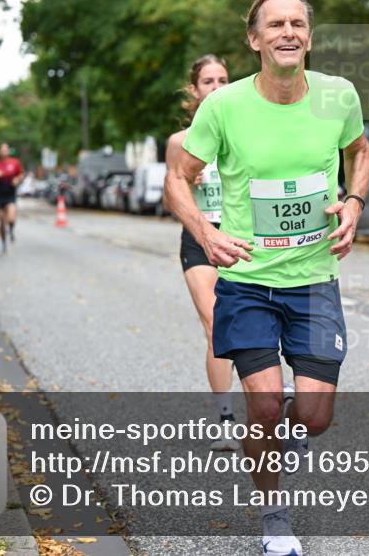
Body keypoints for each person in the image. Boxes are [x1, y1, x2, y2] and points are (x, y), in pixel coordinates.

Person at [166, 0, 369, 556]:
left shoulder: (338, 96)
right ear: (254, 39)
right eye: (275, 24)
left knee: (313, 416)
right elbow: (178, 177)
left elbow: (361, 151)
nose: (288, 32)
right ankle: (274, 515)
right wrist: (205, 233)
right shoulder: (224, 106)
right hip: (249, 280)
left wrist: (354, 204)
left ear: (309, 36)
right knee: (261, 404)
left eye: (297, 24)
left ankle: (278, 426)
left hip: (313, 280)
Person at [163, 55, 239, 451]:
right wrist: (190, 187)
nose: (217, 87)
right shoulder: (180, 143)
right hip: (198, 237)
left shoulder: (246, 131)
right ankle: (226, 419)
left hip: (240, 237)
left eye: (223, 79)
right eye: (208, 81)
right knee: (216, 325)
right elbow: (171, 197)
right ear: (194, 90)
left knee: (256, 324)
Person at [0, 143, 24, 253]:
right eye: (2, 149)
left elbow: (21, 174)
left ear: (9, 151)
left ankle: (11, 230)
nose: (4, 151)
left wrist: (17, 179)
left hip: (10, 193)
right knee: (2, 222)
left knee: (12, 218)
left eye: (6, 149)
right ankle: (4, 243)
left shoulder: (15, 162)